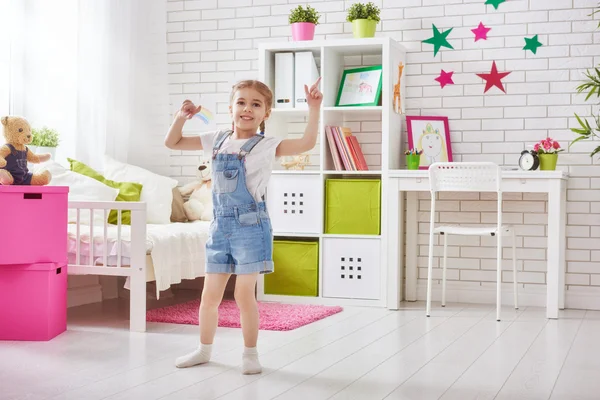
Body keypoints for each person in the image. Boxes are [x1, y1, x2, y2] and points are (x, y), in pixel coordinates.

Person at [164, 78, 322, 374]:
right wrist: (180, 118)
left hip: (251, 226)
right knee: (209, 296)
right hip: (220, 226)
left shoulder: (267, 145)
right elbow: (171, 142)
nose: (247, 108)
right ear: (230, 108)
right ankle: (203, 350)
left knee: (242, 295)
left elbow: (306, 143)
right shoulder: (216, 139)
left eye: (256, 104)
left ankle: (250, 355)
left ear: (266, 114)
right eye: (241, 102)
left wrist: (314, 108)